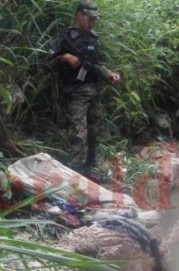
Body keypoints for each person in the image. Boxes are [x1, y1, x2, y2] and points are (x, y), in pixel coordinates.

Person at [50, 0, 121, 172]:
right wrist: (65, 57)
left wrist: (109, 73)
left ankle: (90, 167)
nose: (92, 23)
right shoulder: (67, 36)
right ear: (79, 16)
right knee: (78, 133)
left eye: (94, 20)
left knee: (94, 131)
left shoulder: (94, 38)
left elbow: (96, 63)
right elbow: (49, 57)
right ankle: (75, 170)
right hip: (75, 91)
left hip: (93, 91)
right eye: (89, 19)